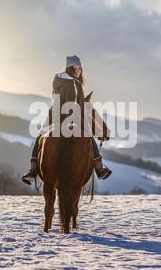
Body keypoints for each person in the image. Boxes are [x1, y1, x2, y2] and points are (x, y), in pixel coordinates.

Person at [21, 55, 112, 185]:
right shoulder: (74, 83)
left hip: (53, 116)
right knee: (90, 139)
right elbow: (73, 103)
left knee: (40, 138)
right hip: (71, 116)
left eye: (80, 68)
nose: (78, 71)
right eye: (76, 68)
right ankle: (99, 168)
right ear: (70, 68)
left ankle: (33, 170)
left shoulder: (57, 80)